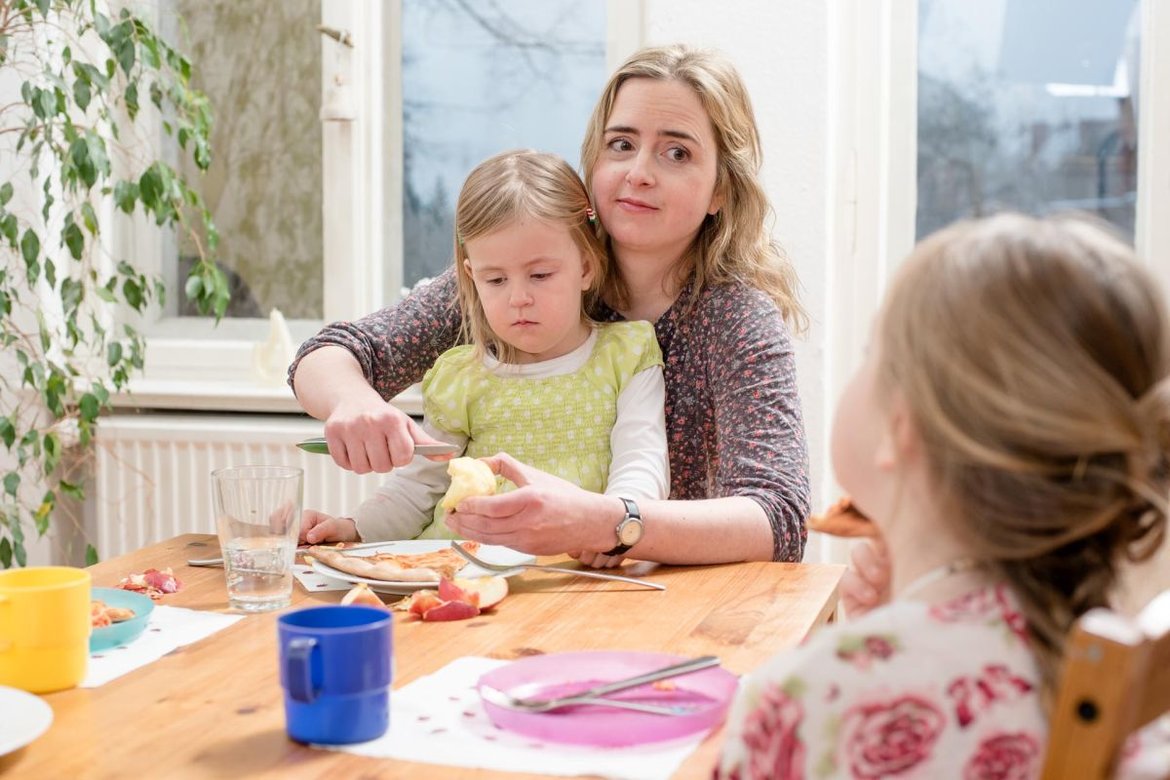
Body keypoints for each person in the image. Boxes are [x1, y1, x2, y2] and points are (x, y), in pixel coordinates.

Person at [289, 44, 811, 566]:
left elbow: (778, 518)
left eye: (677, 153)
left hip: (662, 603)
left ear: (721, 188)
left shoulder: (737, 320)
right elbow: (329, 354)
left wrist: (613, 523)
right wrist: (350, 401)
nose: (639, 172)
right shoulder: (524, 269)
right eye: (621, 144)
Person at [716, 213, 1170, 778]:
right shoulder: (1115, 662)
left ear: (899, 426)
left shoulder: (804, 699)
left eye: (869, 352)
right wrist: (890, 622)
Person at [299, 150, 669, 543]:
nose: (518, 298)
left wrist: (612, 534)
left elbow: (642, 463)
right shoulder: (460, 377)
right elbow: (416, 491)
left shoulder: (627, 357)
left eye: (540, 274)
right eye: (495, 281)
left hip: (576, 564)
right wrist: (354, 530)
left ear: (586, 267)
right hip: (460, 565)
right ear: (471, 277)